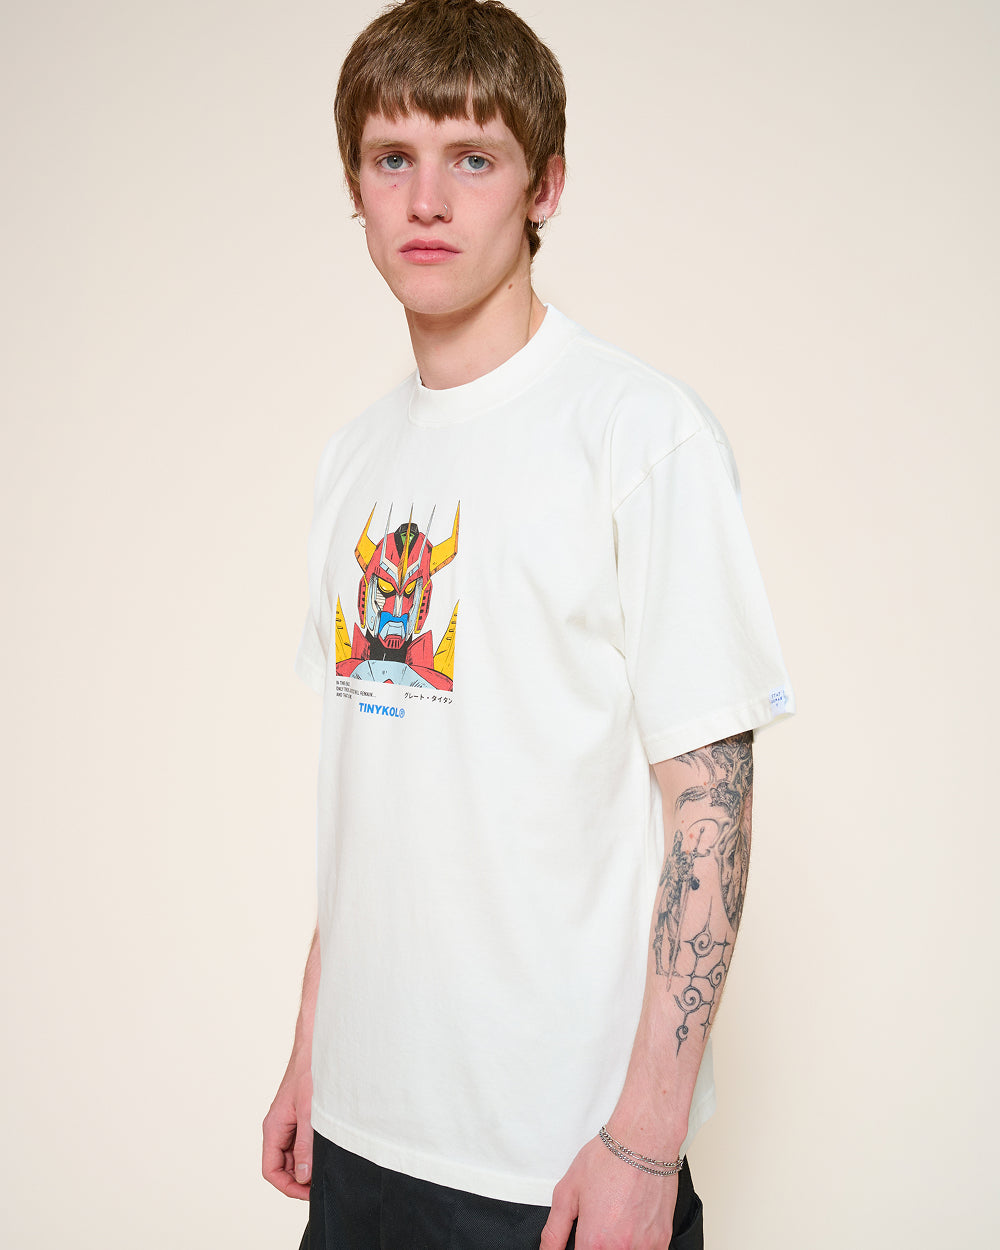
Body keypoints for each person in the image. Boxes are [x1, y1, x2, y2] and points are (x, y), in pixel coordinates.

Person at [262, 1, 794, 1246]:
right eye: (392, 158)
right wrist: (310, 1054)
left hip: (554, 1162)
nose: (426, 201)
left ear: (543, 186)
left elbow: (709, 804)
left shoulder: (637, 434)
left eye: (472, 158)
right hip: (360, 1136)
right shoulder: (353, 457)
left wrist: (645, 1140)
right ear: (354, 188)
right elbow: (379, 793)